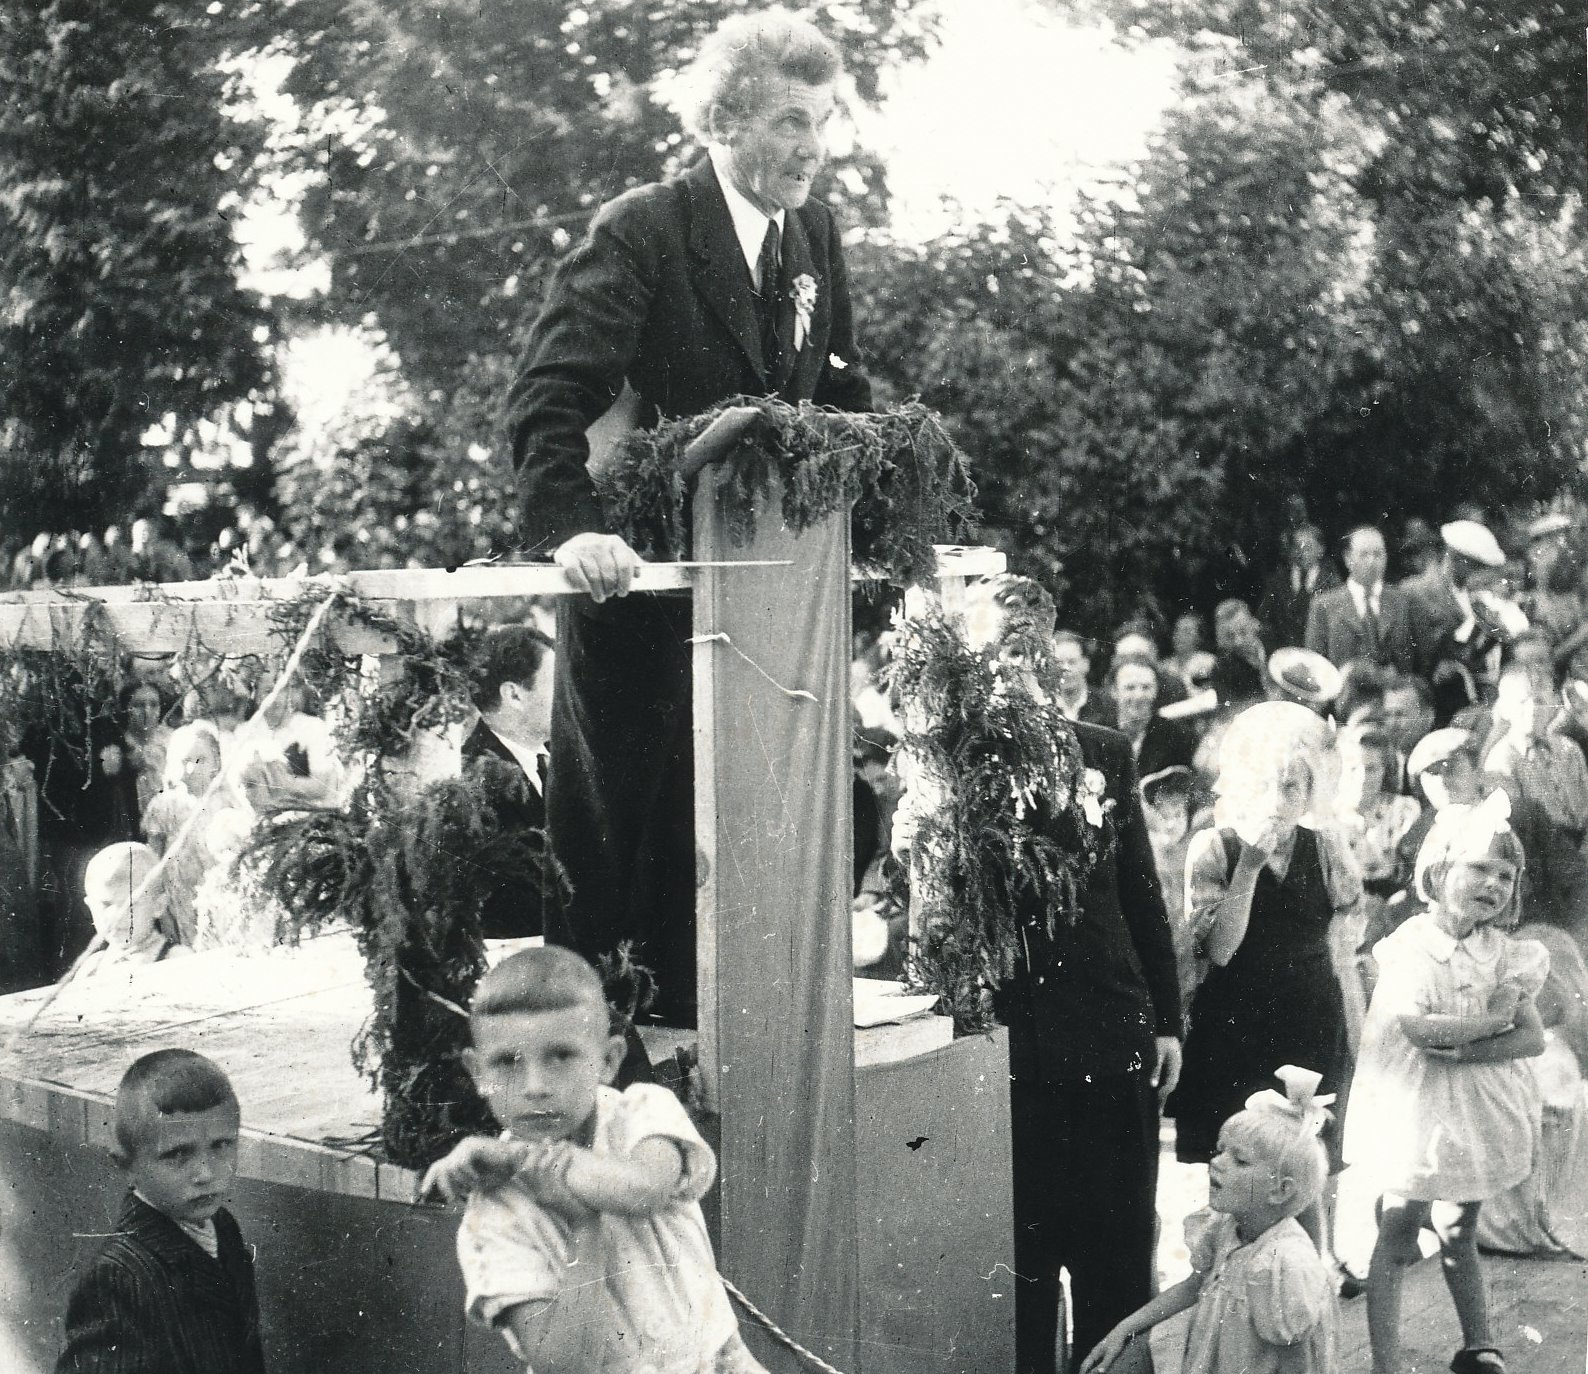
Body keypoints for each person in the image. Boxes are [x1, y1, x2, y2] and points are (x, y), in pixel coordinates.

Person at [505, 8, 873, 1031]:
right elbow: (547, 396)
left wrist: (873, 521)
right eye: (794, 123)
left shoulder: (813, 235)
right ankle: (580, 1067)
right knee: (617, 855)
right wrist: (573, 530)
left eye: (823, 124)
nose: (813, 149)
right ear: (724, 120)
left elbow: (839, 399)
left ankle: (708, 1083)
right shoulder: (647, 228)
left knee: (736, 857)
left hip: (759, 608)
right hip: (635, 597)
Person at [419, 946, 767, 1374]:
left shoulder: (643, 1111)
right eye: (507, 1062)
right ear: (479, 1075)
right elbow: (566, 1366)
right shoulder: (495, 1213)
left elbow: (643, 1190)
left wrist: (515, 1157)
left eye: (561, 1056)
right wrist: (584, 1228)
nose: (535, 1087)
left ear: (607, 1061)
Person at [1343, 794, 1548, 1374]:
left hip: (1475, 1112)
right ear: (1440, 869)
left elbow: (1530, 1039)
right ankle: (1385, 1361)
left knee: (1461, 1224)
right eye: (1480, 868)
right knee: (1400, 1226)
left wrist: (1463, 1049)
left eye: (1505, 877)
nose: (1493, 884)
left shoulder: (1506, 953)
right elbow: (1417, 1029)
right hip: (1415, 1109)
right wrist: (1489, 1021)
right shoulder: (1411, 944)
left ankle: (1478, 1343)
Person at [1168, 702, 1362, 1271]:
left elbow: (1346, 933)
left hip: (1308, 1023)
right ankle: (1224, 1288)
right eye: (1269, 784)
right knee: (1238, 1165)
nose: (1281, 799)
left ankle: (1313, 1275)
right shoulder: (1216, 847)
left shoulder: (1324, 845)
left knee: (1312, 1160)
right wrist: (1250, 868)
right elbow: (1220, 950)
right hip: (1237, 1028)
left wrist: (1352, 1020)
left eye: (1294, 786)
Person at [1082, 1066, 1339, 1374]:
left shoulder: (1287, 1263)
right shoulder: (1226, 1227)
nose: (1217, 1162)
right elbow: (1195, 1286)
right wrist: (1124, 1328)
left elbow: (1299, 1360)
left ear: (1281, 1189)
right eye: (1220, 1151)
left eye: (1240, 1160)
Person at [54, 1048, 264, 1374]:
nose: (206, 1173)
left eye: (222, 1145)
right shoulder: (120, 1278)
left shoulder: (221, 1226)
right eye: (178, 1153)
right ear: (127, 1165)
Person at [463, 624, 555, 939]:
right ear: (513, 695)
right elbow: (500, 909)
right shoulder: (474, 778)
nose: (569, 697)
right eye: (557, 684)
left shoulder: (567, 755)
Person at [141, 722, 233, 949]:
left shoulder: (227, 801)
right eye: (184, 761)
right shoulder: (163, 805)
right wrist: (164, 915)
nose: (191, 769)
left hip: (221, 891)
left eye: (200, 760)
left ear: (216, 763)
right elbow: (154, 862)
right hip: (180, 898)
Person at [1305, 526, 1415, 674]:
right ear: (1348, 559)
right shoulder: (1324, 605)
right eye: (1364, 555)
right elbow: (1315, 666)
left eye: (1378, 554)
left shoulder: (1402, 601)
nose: (1372, 562)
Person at [77, 841, 187, 977]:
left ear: (158, 906)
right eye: (105, 904)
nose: (115, 916)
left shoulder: (176, 959)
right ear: (90, 906)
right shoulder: (92, 968)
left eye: (130, 905)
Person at [1260, 523, 1341, 651]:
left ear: (1321, 550)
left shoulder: (1333, 584)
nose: (1301, 553)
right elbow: (1264, 619)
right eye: (1297, 547)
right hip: (1282, 654)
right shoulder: (1277, 581)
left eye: (1307, 547)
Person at [1053, 629, 1115, 727]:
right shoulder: (1043, 706)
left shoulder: (1107, 706)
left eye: (1072, 662)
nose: (1065, 669)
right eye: (1058, 663)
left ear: (1085, 664)